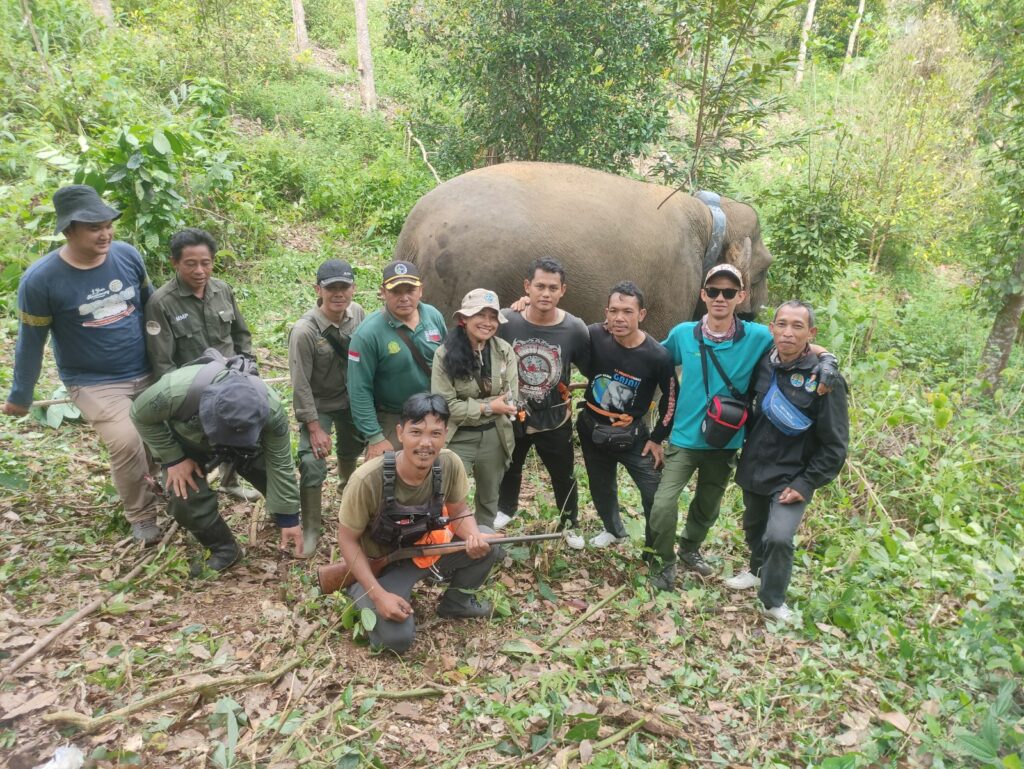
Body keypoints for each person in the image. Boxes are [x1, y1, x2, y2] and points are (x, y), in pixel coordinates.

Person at [648, 265, 839, 591]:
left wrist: (828, 360)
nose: (720, 298)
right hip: (684, 438)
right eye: (713, 291)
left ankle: (690, 548)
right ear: (703, 295)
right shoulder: (684, 334)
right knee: (663, 505)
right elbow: (649, 356)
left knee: (708, 506)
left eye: (728, 292)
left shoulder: (758, 336)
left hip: (725, 441)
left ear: (741, 296)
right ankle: (662, 562)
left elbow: (795, 342)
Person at [3, 185, 164, 545]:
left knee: (166, 430)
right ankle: (141, 515)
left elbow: (153, 307)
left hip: (148, 366)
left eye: (107, 224)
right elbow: (31, 342)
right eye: (94, 227)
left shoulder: (127, 256)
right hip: (94, 381)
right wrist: (21, 395)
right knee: (126, 441)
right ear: (69, 230)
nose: (105, 233)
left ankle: (160, 485)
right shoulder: (41, 280)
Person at [338, 393, 500, 654]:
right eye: (416, 432)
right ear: (400, 433)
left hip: (425, 552)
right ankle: (362, 589)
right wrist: (379, 596)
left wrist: (472, 537)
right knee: (396, 642)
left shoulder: (449, 463)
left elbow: (459, 511)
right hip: (381, 566)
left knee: (489, 539)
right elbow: (347, 540)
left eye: (435, 434)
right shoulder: (367, 479)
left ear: (446, 434)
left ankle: (457, 602)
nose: (426, 443)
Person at [725, 301, 849, 623]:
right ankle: (755, 570)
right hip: (755, 465)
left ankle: (773, 600)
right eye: (782, 324)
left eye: (797, 326)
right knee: (754, 527)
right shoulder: (763, 363)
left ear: (811, 333)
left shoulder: (825, 379)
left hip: (793, 474)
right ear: (772, 329)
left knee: (778, 536)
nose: (788, 333)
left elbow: (835, 444)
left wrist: (806, 482)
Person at [130, 359, 303, 576]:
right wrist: (173, 459)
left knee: (265, 469)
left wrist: (289, 517)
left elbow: (280, 463)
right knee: (184, 495)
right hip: (187, 443)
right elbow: (139, 415)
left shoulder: (271, 409)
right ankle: (225, 550)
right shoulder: (174, 391)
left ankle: (280, 515)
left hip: (247, 444)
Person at [144, 227, 257, 501]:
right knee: (193, 444)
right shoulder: (162, 302)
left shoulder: (222, 290)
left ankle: (231, 481)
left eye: (205, 263)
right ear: (174, 262)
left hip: (231, 380)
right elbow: (162, 360)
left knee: (238, 431)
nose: (199, 271)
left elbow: (241, 334)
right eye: (190, 264)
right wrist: (179, 401)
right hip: (192, 389)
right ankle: (177, 492)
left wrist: (249, 367)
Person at [495, 258, 591, 546]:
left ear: (563, 290)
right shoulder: (506, 321)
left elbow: (589, 367)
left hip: (554, 416)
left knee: (563, 474)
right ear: (527, 287)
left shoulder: (575, 328)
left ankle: (569, 521)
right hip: (514, 411)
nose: (545, 293)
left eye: (553, 287)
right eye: (539, 286)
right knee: (509, 465)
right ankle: (504, 508)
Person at [576, 282, 678, 548]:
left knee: (653, 493)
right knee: (601, 486)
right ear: (606, 312)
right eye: (614, 310)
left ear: (641, 314)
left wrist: (657, 438)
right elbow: (561, 331)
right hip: (591, 427)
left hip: (632, 435)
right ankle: (613, 530)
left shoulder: (658, 355)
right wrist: (524, 306)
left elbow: (671, 398)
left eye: (628, 311)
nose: (620, 318)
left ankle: (655, 549)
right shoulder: (594, 335)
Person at [288, 259, 367, 558]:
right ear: (318, 290)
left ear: (353, 288)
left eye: (344, 287)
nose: (338, 294)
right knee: (311, 462)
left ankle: (346, 488)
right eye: (331, 288)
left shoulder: (357, 313)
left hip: (350, 399)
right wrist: (314, 427)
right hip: (319, 405)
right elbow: (300, 384)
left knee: (353, 446)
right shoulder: (304, 331)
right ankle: (310, 528)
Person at [431, 289, 519, 528]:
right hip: (458, 436)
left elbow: (511, 399)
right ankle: (447, 543)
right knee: (446, 495)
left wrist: (481, 407)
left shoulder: (504, 351)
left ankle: (485, 544)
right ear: (464, 319)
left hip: (495, 435)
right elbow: (445, 406)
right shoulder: (444, 355)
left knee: (490, 498)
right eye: (480, 314)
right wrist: (490, 406)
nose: (488, 323)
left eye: (493, 317)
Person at [346, 260, 447, 461]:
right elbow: (358, 389)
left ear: (420, 290)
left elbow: (449, 362)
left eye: (410, 290)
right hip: (393, 417)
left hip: (433, 414)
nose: (404, 298)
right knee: (386, 479)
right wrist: (375, 437)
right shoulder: (368, 334)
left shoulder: (433, 316)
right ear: (383, 292)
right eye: (396, 291)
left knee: (435, 478)